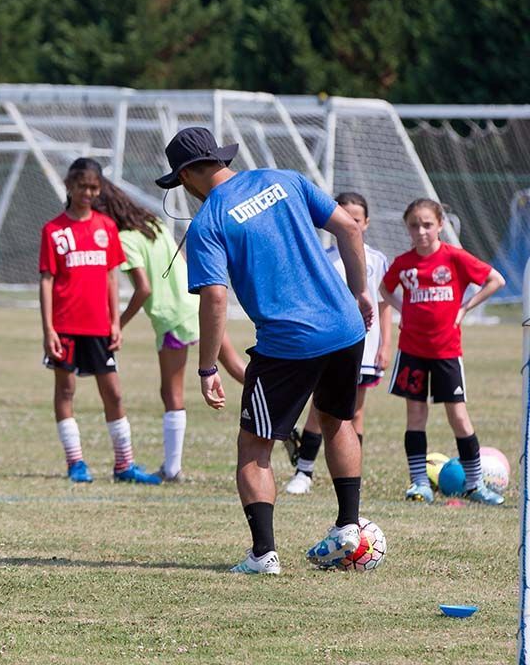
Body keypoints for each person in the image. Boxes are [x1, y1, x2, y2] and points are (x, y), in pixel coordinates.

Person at [156, 126, 373, 575]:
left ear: (189, 174)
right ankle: (349, 527)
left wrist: (206, 368)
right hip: (345, 327)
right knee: (337, 421)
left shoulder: (209, 221)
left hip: (289, 344)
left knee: (255, 445)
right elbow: (350, 227)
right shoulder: (285, 178)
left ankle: (263, 555)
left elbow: (215, 297)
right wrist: (361, 293)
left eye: (180, 183)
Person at [94, 178, 247, 481]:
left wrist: (118, 325)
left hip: (172, 318)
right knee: (235, 366)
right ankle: (280, 402)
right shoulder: (153, 223)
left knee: (171, 392)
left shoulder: (124, 240)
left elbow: (143, 290)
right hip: (197, 306)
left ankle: (173, 469)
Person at [40, 158, 161, 486]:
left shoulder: (106, 228)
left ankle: (124, 465)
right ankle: (75, 463)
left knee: (115, 394)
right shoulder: (54, 231)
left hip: (98, 327)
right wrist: (48, 328)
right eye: (82, 186)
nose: (88, 193)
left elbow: (111, 278)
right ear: (69, 185)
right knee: (66, 391)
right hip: (65, 325)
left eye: (94, 187)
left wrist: (116, 323)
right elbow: (47, 280)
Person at [380, 198, 506, 505]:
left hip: (447, 351)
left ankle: (475, 484)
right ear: (407, 228)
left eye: (427, 224)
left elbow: (495, 280)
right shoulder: (404, 263)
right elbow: (384, 289)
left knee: (459, 417)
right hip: (412, 349)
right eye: (414, 225)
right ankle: (419, 483)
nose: (421, 231)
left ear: (439, 225)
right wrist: (402, 310)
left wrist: (464, 308)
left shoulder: (455, 258)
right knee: (416, 415)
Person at [285, 192, 393, 495]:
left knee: (354, 413)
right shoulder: (322, 257)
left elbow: (384, 305)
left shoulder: (376, 259)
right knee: (319, 409)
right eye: (344, 217)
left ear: (366, 223)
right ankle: (303, 471)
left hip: (366, 348)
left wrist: (385, 345)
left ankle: (348, 477)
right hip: (329, 344)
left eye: (356, 219)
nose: (350, 223)